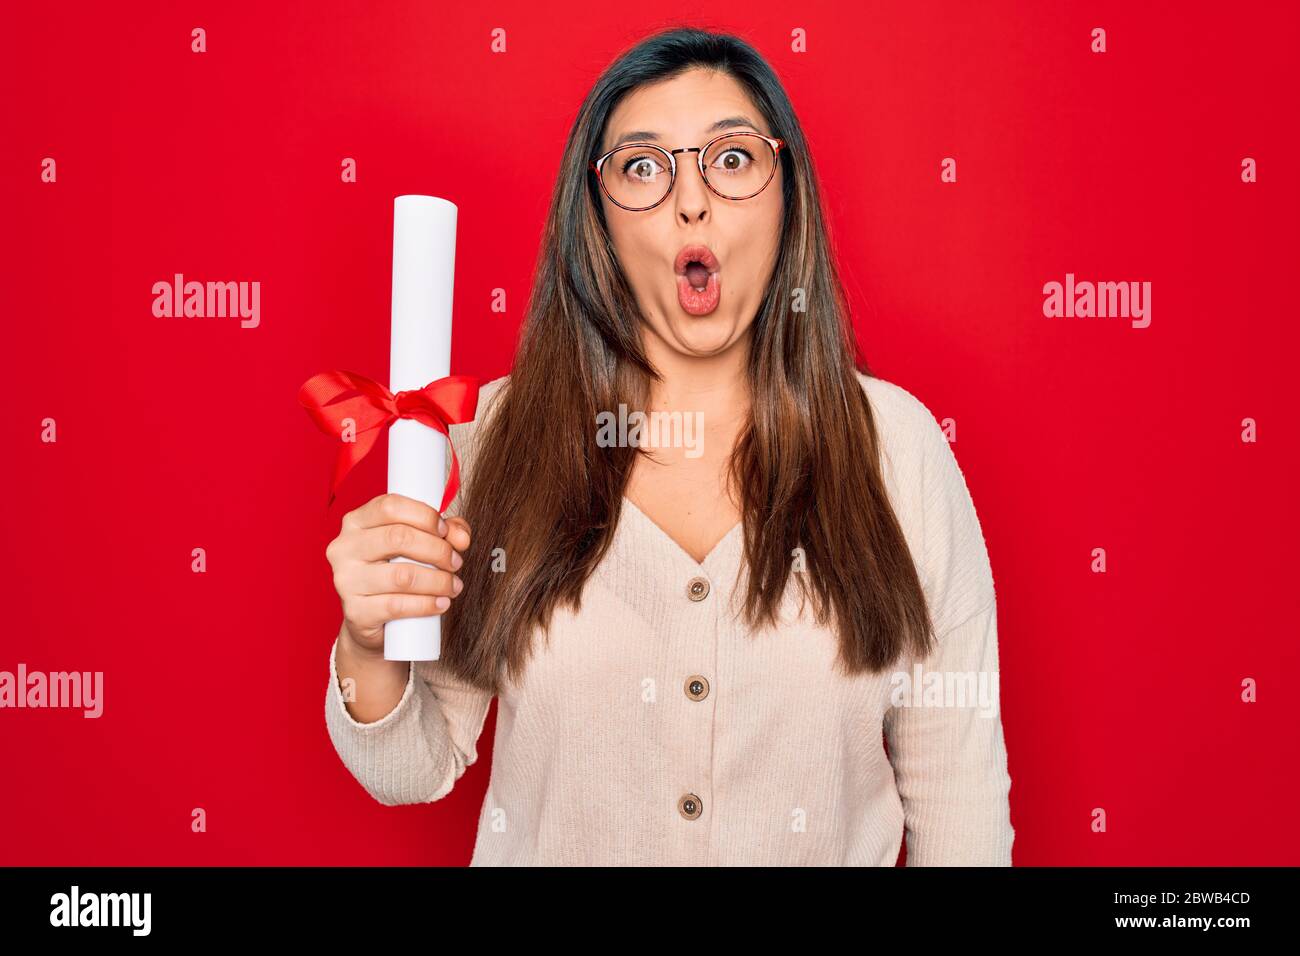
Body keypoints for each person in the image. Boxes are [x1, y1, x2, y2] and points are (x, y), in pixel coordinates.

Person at [323, 26, 1014, 866]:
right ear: (598, 220)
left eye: (730, 159)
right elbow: (412, 767)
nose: (692, 201)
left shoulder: (896, 450)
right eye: (644, 168)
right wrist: (368, 642)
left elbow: (961, 810)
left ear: (786, 191)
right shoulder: (493, 439)